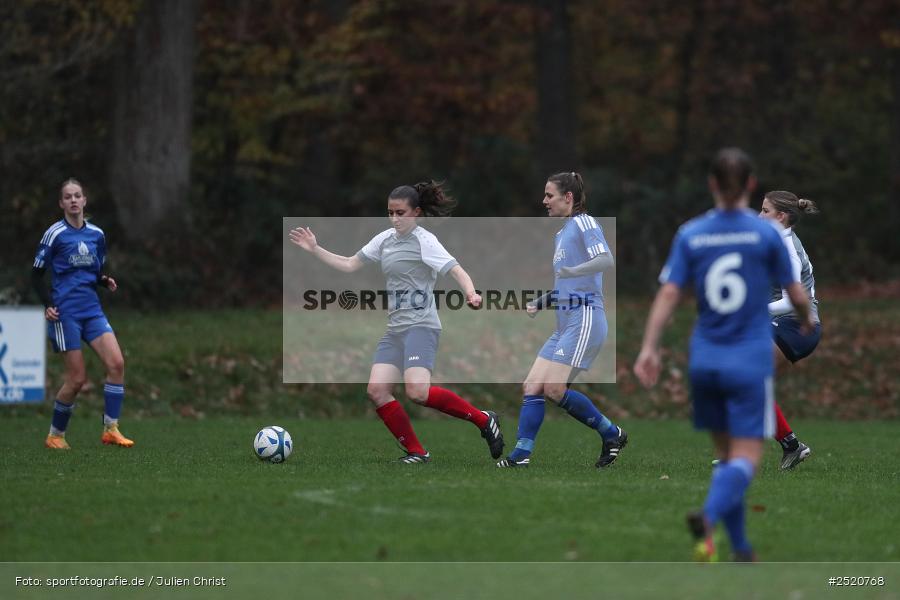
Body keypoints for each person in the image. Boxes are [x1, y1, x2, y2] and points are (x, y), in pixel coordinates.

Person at [633, 148, 814, 561]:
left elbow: (669, 292)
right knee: (746, 459)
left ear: (712, 185)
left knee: (725, 457)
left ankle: (742, 549)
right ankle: (710, 518)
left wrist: (649, 347)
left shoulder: (691, 234)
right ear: (750, 186)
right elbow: (797, 293)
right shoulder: (766, 233)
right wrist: (805, 319)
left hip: (705, 357)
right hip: (748, 355)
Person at [289, 181, 503, 464]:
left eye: (400, 212)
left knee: (417, 392)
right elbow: (350, 264)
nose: (394, 218)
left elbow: (455, 269)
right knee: (377, 391)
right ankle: (417, 452)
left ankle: (483, 419)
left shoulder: (425, 241)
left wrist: (471, 292)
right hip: (395, 330)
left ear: (416, 212)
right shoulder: (385, 239)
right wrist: (315, 249)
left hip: (421, 326)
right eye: (390, 212)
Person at [496, 172, 626, 469]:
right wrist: (541, 302)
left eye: (549, 195)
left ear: (568, 198)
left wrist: (574, 270)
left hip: (585, 317)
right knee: (532, 386)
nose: (544, 201)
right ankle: (521, 454)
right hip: (564, 323)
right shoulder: (562, 233)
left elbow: (605, 259)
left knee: (554, 389)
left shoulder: (584, 222)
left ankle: (611, 433)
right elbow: (565, 283)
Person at [32, 179, 133, 450]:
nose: (74, 200)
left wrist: (103, 280)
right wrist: (47, 304)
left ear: (84, 200)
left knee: (117, 364)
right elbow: (36, 275)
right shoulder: (55, 234)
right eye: (68, 197)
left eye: (78, 195)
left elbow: (91, 270)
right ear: (62, 203)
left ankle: (111, 429)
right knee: (77, 380)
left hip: (92, 310)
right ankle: (55, 435)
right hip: (66, 314)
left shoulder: (96, 235)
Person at [759, 191, 822, 469]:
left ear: (781, 216)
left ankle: (742, 453)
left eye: (764, 211)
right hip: (787, 324)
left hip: (797, 326)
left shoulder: (786, 249)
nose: (759, 216)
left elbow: (790, 301)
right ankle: (790, 446)